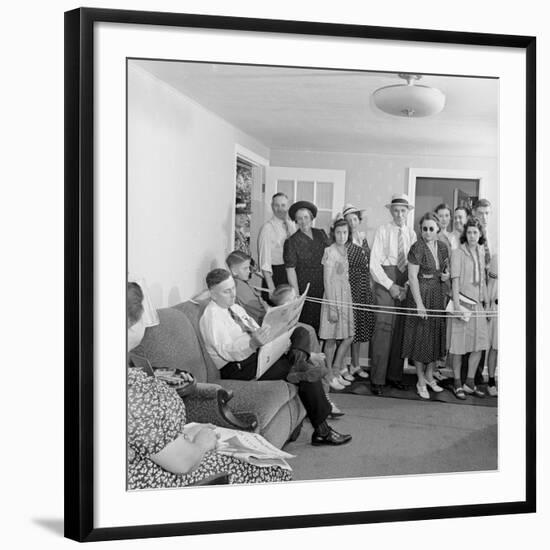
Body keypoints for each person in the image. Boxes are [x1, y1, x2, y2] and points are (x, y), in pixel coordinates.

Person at [126, 281, 291, 489]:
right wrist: (203, 441)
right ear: (132, 325)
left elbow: (145, 432)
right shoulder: (133, 390)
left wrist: (186, 433)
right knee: (273, 469)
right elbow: (182, 463)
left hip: (170, 448)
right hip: (158, 476)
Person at [199, 269, 352, 446]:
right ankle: (322, 430)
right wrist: (252, 344)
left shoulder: (235, 308)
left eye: (233, 288)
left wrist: (275, 333)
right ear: (212, 294)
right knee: (307, 372)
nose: (233, 294)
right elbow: (227, 351)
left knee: (300, 331)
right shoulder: (211, 317)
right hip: (240, 367)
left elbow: (257, 329)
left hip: (258, 354)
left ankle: (299, 362)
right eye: (226, 291)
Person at [369, 193, 417, 396]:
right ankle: (377, 379)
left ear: (407, 212)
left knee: (400, 330)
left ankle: (394, 376)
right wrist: (391, 286)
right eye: (395, 210)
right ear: (390, 211)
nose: (399, 214)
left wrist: (405, 285)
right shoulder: (382, 230)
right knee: (383, 328)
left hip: (404, 281)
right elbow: (373, 264)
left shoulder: (412, 234)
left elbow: (414, 264)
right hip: (385, 281)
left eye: (402, 211)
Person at [401, 213, 450, 399]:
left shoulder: (443, 247)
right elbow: (412, 277)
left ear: (437, 229)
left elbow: (445, 270)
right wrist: (419, 304)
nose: (428, 232)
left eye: (431, 228)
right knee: (420, 338)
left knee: (434, 336)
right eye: (424, 229)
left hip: (437, 294)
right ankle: (420, 379)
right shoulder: (417, 247)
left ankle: (430, 376)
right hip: (420, 294)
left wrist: (445, 276)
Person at [447, 217, 489, 399]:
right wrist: (456, 304)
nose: (472, 236)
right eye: (469, 232)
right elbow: (454, 280)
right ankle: (457, 383)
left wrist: (486, 303)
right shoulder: (457, 252)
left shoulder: (481, 251)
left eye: (475, 232)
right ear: (466, 234)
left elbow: (483, 282)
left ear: (480, 234)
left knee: (479, 345)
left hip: (478, 305)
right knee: (458, 347)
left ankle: (470, 382)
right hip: (462, 304)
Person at [318, 218, 355, 390]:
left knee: (348, 336)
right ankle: (328, 376)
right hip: (333, 297)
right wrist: (332, 307)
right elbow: (327, 280)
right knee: (331, 339)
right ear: (334, 233)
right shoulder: (330, 251)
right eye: (339, 232)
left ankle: (336, 370)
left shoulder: (347, 250)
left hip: (345, 297)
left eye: (345, 232)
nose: (342, 236)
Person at [283, 200, 330, 334]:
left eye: (306, 217)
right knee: (307, 326)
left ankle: (320, 353)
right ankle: (309, 354)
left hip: (323, 285)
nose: (303, 221)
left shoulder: (320, 234)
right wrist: (297, 294)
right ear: (295, 221)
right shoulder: (291, 242)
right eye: (299, 218)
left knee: (323, 324)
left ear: (311, 218)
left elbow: (331, 255)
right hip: (305, 287)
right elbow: (290, 269)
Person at [342, 203, 375, 380]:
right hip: (350, 285)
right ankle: (342, 366)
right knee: (349, 327)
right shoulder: (343, 240)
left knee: (360, 326)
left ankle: (355, 364)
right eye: (349, 220)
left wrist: (370, 283)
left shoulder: (363, 238)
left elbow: (369, 263)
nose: (352, 223)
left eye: (355, 219)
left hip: (364, 284)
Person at [257, 192, 296, 297]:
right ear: (272, 207)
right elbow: (264, 261)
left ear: (288, 207)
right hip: (274, 277)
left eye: (283, 205)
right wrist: (271, 288)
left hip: (289, 274)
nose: (280, 208)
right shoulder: (267, 228)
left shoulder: (292, 226)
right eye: (276, 205)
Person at [226, 250, 266, 324]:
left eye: (249, 268)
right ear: (234, 271)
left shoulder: (242, 282)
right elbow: (257, 310)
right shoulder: (239, 286)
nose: (249, 271)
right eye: (245, 268)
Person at [486, 253, 498, 396]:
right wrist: (488, 306)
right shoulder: (497, 257)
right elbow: (491, 283)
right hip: (497, 307)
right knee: (494, 347)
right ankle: (490, 382)